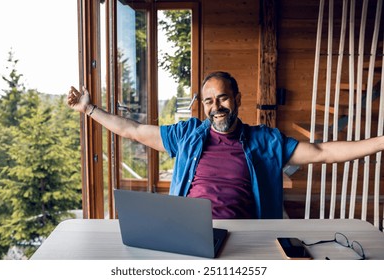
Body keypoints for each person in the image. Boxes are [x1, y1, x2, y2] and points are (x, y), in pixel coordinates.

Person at [67, 71, 384, 219]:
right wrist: (89, 109)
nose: (215, 106)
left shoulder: (264, 140)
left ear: (237, 99)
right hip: (186, 230)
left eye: (222, 98)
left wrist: (381, 142)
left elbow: (323, 152)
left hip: (241, 233)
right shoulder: (187, 136)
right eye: (208, 101)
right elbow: (133, 130)